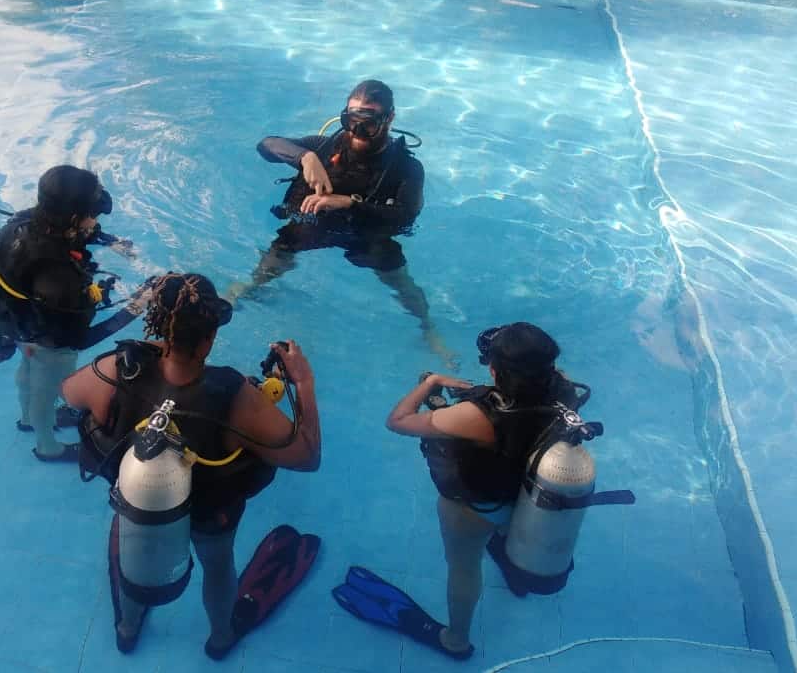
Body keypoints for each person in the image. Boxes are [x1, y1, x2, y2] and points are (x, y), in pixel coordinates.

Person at [61, 273, 322, 657]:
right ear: (209, 337)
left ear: (157, 324)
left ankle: (128, 627)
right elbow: (306, 456)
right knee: (217, 568)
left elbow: (69, 393)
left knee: (134, 556)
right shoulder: (236, 397)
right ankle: (220, 639)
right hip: (209, 515)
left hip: (140, 503)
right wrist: (304, 383)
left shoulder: (119, 370)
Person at [382, 322, 589, 658]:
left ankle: (456, 640)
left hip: (476, 511)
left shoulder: (474, 417)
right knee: (506, 531)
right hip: (529, 498)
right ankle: (518, 570)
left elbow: (398, 421)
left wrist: (432, 382)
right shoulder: (566, 393)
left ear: (494, 370)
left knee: (463, 566)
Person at [228, 79, 455, 367]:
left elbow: (405, 215)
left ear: (389, 119)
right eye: (351, 120)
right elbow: (266, 145)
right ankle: (244, 289)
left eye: (368, 122)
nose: (357, 131)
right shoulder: (322, 149)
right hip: (310, 227)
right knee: (265, 270)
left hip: (366, 235)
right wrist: (305, 157)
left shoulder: (406, 168)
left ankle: (428, 329)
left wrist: (349, 203)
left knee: (402, 284)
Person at [0, 164, 147, 462]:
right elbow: (81, 338)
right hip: (49, 340)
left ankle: (27, 419)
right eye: (93, 215)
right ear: (74, 218)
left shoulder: (22, 222)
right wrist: (135, 307)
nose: (95, 220)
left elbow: (68, 234)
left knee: (28, 374)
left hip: (17, 324)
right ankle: (47, 446)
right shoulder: (60, 282)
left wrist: (108, 240)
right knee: (47, 388)